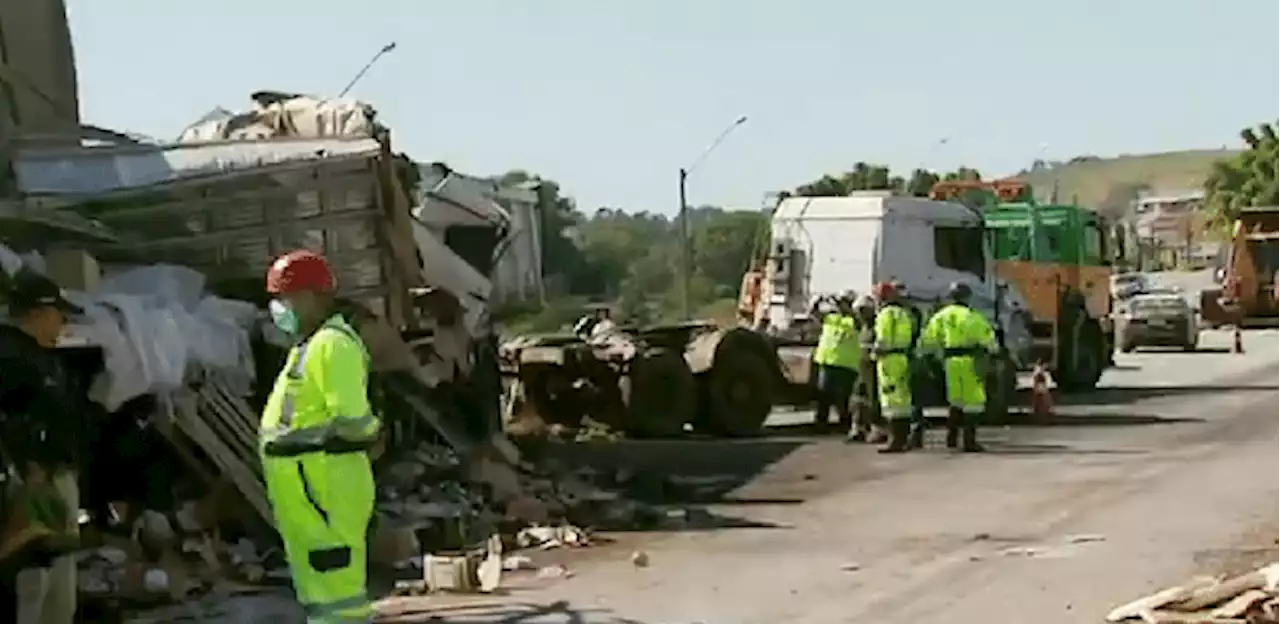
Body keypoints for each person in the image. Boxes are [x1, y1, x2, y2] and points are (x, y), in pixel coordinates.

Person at [260, 250, 381, 623]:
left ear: (314, 296)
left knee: (338, 594)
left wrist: (297, 443)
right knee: (323, 592)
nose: (279, 308)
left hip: (323, 486)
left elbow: (353, 424)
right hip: (310, 485)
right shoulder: (310, 344)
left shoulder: (333, 345)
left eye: (286, 298)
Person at [0, 269, 84, 624]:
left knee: (59, 586)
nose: (62, 324)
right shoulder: (9, 356)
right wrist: (25, 467)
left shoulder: (44, 357)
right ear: (38, 313)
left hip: (53, 480)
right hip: (25, 486)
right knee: (32, 582)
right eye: (58, 315)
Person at [919, 282, 997, 453]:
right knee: (973, 401)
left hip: (950, 361)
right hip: (969, 361)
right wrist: (993, 351)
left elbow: (929, 339)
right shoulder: (972, 316)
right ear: (967, 297)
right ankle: (969, 441)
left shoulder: (941, 316)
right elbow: (987, 338)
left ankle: (951, 437)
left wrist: (927, 356)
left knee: (955, 399)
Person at [871, 282, 916, 453]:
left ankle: (895, 441)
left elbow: (883, 339)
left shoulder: (885, 314)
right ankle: (903, 439)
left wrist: (875, 352)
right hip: (902, 358)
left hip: (889, 360)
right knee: (902, 400)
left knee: (891, 401)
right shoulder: (903, 313)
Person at [811, 292, 860, 433]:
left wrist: (845, 307)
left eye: (843, 303)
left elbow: (857, 321)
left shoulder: (854, 320)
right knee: (823, 395)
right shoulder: (831, 318)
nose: (839, 305)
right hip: (827, 362)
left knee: (843, 398)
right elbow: (814, 314)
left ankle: (845, 423)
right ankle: (821, 423)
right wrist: (817, 302)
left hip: (846, 365)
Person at [891, 280, 928, 449]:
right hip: (909, 357)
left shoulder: (905, 313)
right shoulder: (912, 311)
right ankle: (911, 434)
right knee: (908, 398)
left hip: (908, 357)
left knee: (911, 398)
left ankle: (913, 434)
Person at [846, 294, 886, 443]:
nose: (860, 314)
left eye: (863, 310)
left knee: (874, 398)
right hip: (863, 367)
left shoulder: (877, 325)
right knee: (857, 398)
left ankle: (878, 429)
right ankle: (858, 427)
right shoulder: (862, 326)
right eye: (858, 311)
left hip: (874, 367)